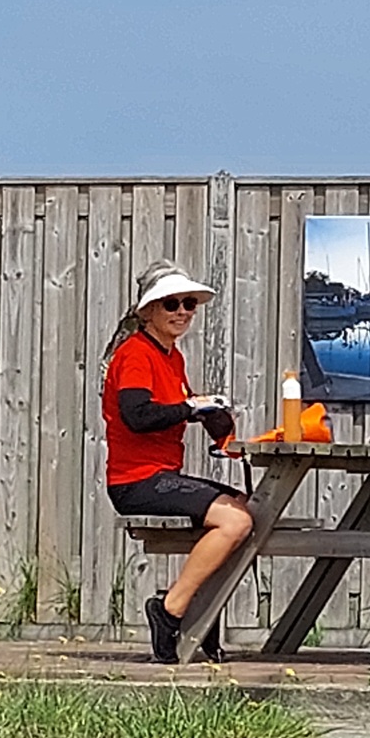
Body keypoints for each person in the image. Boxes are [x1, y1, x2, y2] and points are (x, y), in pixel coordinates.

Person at [101, 259, 253, 664]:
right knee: (235, 520)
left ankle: (201, 614)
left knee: (247, 510)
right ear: (147, 311)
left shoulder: (171, 357)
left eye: (189, 304)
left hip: (160, 475)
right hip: (135, 482)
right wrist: (190, 408)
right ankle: (171, 610)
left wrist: (221, 430)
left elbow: (182, 406)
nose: (182, 311)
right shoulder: (135, 355)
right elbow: (138, 415)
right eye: (171, 304)